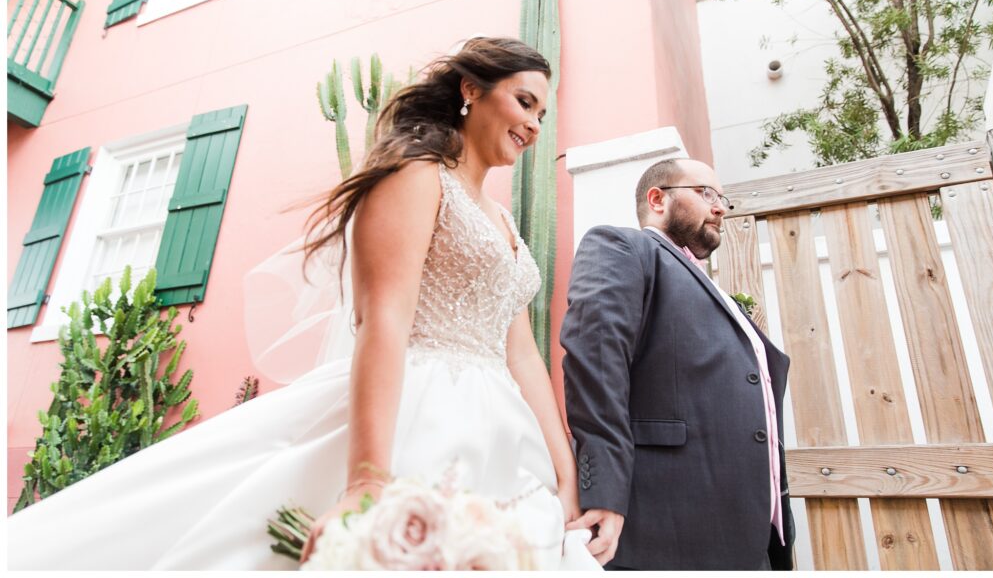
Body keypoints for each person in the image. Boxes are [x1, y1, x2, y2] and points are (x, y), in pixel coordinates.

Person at [7, 37, 598, 570]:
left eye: (542, 114)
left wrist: (566, 474)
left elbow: (520, 354)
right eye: (525, 102)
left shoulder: (505, 221)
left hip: (506, 433)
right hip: (417, 408)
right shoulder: (417, 177)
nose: (535, 124)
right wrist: (367, 478)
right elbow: (383, 320)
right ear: (472, 91)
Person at [561, 157, 795, 570]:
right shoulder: (623, 248)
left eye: (722, 198)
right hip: (665, 530)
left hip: (748, 534)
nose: (719, 207)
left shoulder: (708, 286)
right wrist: (605, 492)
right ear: (657, 199)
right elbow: (596, 364)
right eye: (706, 194)